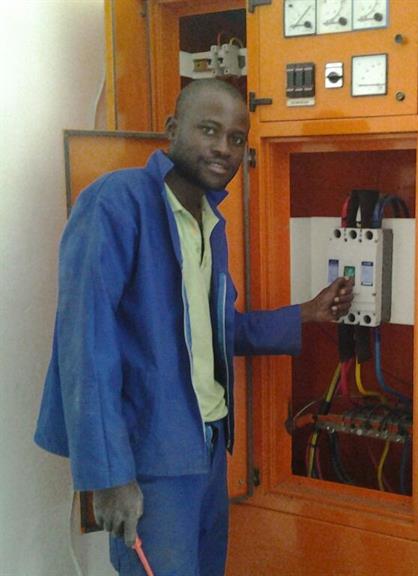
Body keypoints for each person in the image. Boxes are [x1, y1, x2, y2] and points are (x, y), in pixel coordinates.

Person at [34, 78, 353, 576]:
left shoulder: (207, 220)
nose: (223, 148)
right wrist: (109, 476)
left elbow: (216, 332)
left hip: (206, 447)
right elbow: (85, 344)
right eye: (209, 130)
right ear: (172, 129)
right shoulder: (117, 202)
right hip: (151, 458)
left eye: (235, 138)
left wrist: (306, 313)